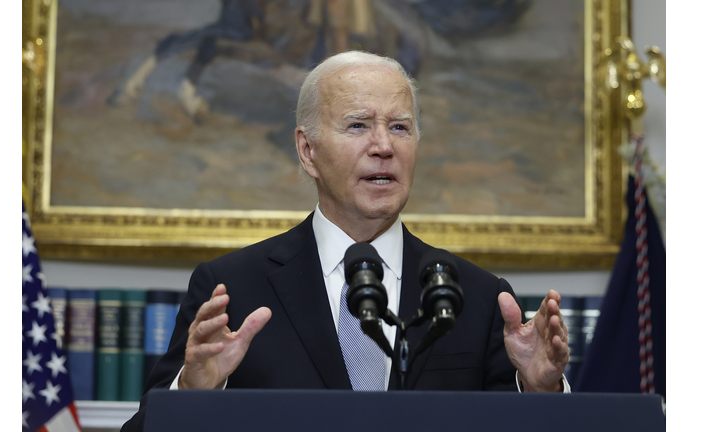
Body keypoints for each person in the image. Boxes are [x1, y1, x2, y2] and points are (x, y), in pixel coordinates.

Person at [121, 51, 569, 431]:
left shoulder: (478, 296)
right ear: (307, 151)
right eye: (358, 126)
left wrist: (539, 390)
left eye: (399, 127)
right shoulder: (232, 288)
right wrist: (195, 390)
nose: (383, 146)